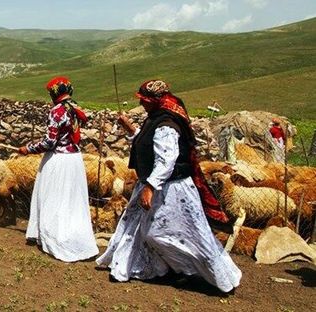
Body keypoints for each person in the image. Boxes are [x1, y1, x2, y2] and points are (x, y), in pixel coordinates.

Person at [96, 79, 241, 293]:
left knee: (164, 233)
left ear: (155, 101)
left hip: (172, 190)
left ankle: (201, 273)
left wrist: (150, 187)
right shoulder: (156, 119)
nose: (142, 104)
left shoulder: (167, 125)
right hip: (158, 185)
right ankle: (166, 268)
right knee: (144, 230)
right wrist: (130, 129)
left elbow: (166, 159)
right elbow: (149, 144)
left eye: (145, 100)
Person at [18, 76, 99, 262]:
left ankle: (57, 238)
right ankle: (78, 239)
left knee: (54, 198)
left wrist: (28, 149)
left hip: (59, 161)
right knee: (72, 200)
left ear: (54, 93)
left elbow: (49, 142)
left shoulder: (57, 111)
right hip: (75, 160)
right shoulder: (76, 108)